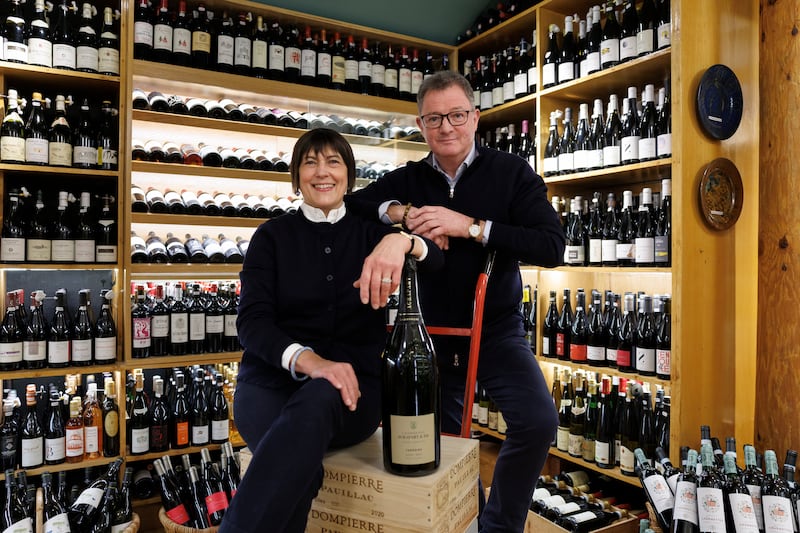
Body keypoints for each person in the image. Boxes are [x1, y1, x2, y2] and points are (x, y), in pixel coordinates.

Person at [348, 70, 565, 533]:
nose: (446, 127)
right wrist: (405, 219)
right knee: (444, 445)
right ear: (421, 125)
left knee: (537, 422)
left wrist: (467, 225)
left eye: (456, 115)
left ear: (475, 117)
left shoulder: (511, 173)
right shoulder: (406, 179)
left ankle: (498, 525)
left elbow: (551, 245)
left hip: (497, 328)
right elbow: (353, 206)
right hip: (428, 335)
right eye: (434, 118)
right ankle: (463, 517)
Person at [219, 128, 443, 533]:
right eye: (310, 162)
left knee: (323, 394)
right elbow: (251, 324)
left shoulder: (372, 235)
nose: (322, 172)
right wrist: (312, 362)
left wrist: (404, 244)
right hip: (269, 389)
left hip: (353, 394)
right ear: (296, 177)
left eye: (333, 161)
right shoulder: (270, 237)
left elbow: (437, 261)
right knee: (298, 457)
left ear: (349, 176)